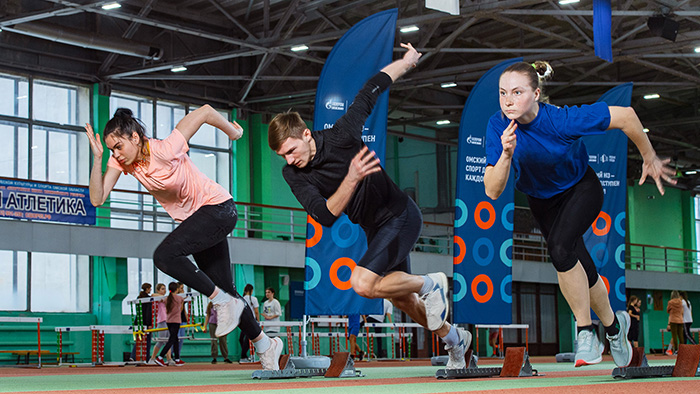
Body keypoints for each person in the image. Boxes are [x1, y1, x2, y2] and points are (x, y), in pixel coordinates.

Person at [268, 43, 469, 370]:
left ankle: (433, 283)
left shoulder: (342, 135)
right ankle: (456, 341)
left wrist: (406, 62)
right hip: (375, 229)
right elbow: (324, 216)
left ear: (306, 135)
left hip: (401, 215)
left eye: (291, 150)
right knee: (402, 299)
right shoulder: (292, 173)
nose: (290, 160)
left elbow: (371, 89)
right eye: (283, 156)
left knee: (362, 283)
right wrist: (351, 178)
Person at [483, 61, 676, 368]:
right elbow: (493, 190)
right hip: (541, 200)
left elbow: (626, 116)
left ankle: (586, 332)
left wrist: (649, 156)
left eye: (517, 92)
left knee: (559, 249)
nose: (508, 100)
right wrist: (506, 155)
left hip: (580, 189)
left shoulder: (561, 120)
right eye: (503, 93)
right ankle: (615, 329)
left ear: (535, 93)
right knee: (583, 267)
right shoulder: (498, 126)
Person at [85, 106, 283, 370]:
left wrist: (233, 131)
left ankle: (221, 301)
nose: (116, 154)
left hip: (219, 209)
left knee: (164, 256)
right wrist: (98, 159)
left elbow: (204, 112)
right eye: (111, 150)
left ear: (134, 137)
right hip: (199, 223)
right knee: (229, 290)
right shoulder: (122, 163)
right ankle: (265, 345)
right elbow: (97, 199)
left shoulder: (166, 149)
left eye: (118, 147)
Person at [154, 282, 186, 366]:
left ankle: (177, 359)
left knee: (175, 339)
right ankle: (160, 357)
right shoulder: (179, 298)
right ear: (177, 289)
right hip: (176, 321)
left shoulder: (167, 298)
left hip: (168, 321)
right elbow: (181, 308)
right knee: (172, 339)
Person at [148, 283, 172, 365]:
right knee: (161, 340)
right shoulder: (158, 298)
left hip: (169, 321)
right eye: (162, 289)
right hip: (162, 321)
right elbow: (152, 295)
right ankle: (152, 358)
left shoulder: (167, 299)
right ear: (158, 290)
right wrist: (162, 297)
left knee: (168, 341)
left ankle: (169, 359)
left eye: (165, 288)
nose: (164, 290)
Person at [130, 283, 153, 362]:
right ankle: (146, 358)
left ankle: (133, 356)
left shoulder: (139, 297)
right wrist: (149, 323)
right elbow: (148, 312)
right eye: (150, 288)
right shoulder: (148, 299)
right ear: (147, 289)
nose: (150, 290)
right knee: (147, 341)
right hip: (145, 322)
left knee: (138, 340)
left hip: (138, 321)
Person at [240, 284, 260, 362]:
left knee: (242, 339)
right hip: (251, 321)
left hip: (243, 321)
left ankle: (245, 355)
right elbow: (256, 311)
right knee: (247, 339)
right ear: (251, 291)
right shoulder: (254, 299)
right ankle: (244, 355)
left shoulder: (241, 299)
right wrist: (258, 321)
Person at [667, 290, 685, 355]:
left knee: (674, 336)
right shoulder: (681, 302)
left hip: (673, 320)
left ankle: (676, 350)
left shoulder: (670, 302)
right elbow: (682, 311)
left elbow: (667, 310)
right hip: (680, 320)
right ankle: (683, 350)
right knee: (681, 336)